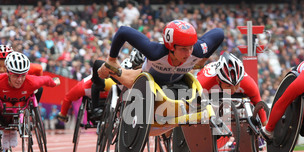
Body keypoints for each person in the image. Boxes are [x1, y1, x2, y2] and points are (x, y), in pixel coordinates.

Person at [0, 52, 60, 152]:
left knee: (19, 104)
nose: (19, 80)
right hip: (2, 110)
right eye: (16, 75)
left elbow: (48, 80)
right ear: (8, 73)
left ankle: (13, 132)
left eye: (23, 76)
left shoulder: (32, 81)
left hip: (20, 108)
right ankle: (6, 133)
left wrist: (55, 82)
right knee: (6, 105)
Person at [96, 20, 224, 89]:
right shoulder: (155, 52)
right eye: (183, 49)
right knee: (106, 70)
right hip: (145, 83)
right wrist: (112, 59)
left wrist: (203, 60)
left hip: (177, 85)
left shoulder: (198, 50)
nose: (189, 53)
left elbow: (219, 33)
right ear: (171, 47)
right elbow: (123, 31)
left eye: (190, 48)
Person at [197, 52, 267, 124]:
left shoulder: (247, 82)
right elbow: (191, 104)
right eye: (228, 86)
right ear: (218, 80)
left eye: (237, 85)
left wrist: (265, 126)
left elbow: (258, 103)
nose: (233, 90)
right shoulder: (204, 81)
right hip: (209, 96)